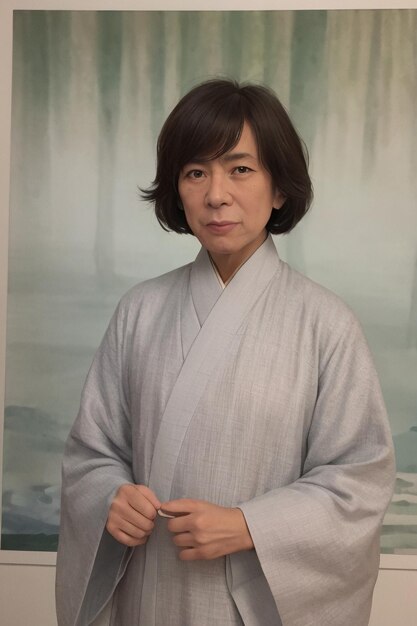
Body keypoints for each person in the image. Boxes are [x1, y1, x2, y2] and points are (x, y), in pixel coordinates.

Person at [56, 79, 395, 626]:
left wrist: (250, 525)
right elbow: (92, 454)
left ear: (279, 188)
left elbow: (358, 481)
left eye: (240, 169)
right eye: (196, 172)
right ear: (177, 189)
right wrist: (110, 498)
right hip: (150, 598)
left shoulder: (325, 323)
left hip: (250, 607)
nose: (216, 194)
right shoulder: (139, 311)